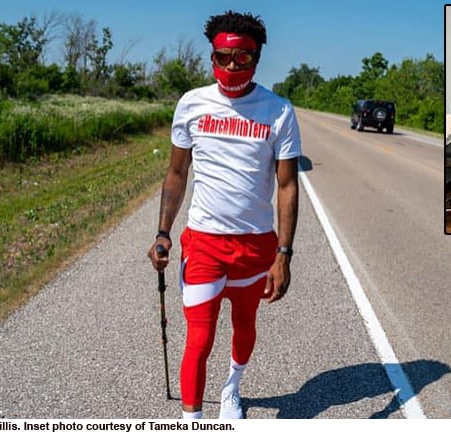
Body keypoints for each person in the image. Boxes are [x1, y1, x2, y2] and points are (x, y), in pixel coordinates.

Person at [147, 10, 301, 420]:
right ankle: (192, 420)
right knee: (199, 337)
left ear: (257, 57)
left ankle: (232, 388)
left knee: (245, 325)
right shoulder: (192, 104)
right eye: (224, 57)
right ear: (212, 56)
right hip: (203, 243)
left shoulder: (279, 111)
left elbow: (287, 186)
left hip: (255, 247)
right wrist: (163, 232)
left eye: (243, 58)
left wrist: (283, 254)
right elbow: (177, 173)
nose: (233, 66)